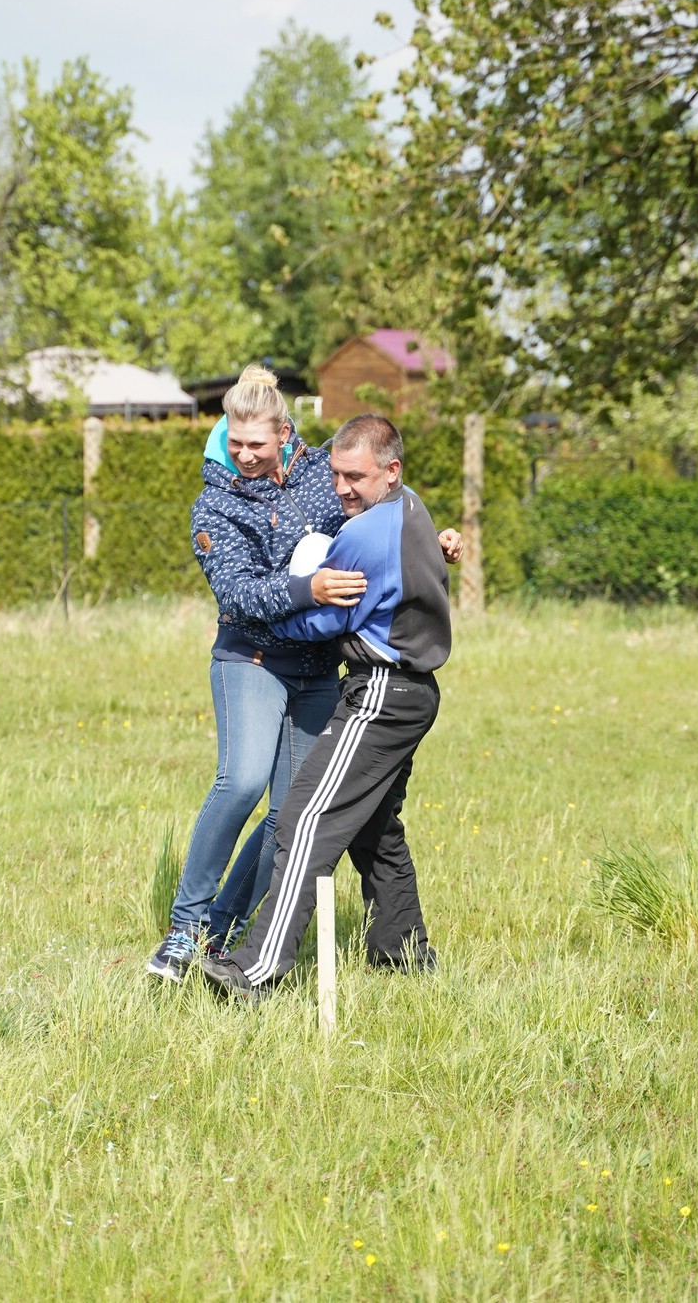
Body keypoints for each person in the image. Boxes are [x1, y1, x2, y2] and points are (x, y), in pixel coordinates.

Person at [202, 413, 451, 999]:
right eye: (336, 474)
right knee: (374, 829)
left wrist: (283, 606)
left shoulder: (363, 535)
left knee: (304, 820)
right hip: (415, 693)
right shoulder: (411, 506)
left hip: (381, 692)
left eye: (355, 477)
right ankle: (404, 957)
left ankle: (256, 970)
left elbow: (322, 622)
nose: (342, 488)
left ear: (391, 471)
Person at [143, 366, 360, 982]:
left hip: (318, 670)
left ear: (284, 433)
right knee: (240, 782)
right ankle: (183, 930)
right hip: (252, 660)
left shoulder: (323, 474)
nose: (243, 454)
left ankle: (223, 931)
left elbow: (377, 503)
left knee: (292, 814)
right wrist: (310, 589)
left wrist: (433, 534)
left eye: (256, 444)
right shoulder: (215, 503)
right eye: (234, 442)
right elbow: (238, 595)